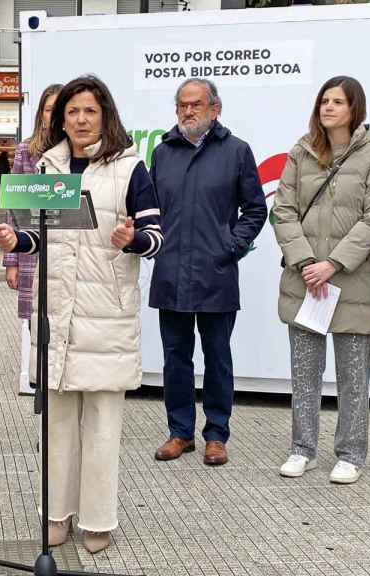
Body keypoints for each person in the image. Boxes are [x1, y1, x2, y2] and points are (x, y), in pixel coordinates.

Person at [0, 75, 162, 554]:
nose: (81, 120)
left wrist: (133, 239)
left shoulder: (131, 169)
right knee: (58, 425)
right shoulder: (48, 167)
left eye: (90, 111)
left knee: (103, 428)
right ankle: (56, 515)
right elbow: (39, 238)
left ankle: (98, 520)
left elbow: (154, 235)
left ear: (105, 115)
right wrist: (15, 241)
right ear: (60, 119)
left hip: (105, 315)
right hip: (56, 315)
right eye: (72, 112)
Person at [271, 76, 370, 484]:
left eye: (338, 102)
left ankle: (351, 454)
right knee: (304, 374)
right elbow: (283, 211)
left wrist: (333, 264)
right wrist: (307, 261)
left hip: (352, 283)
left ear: (354, 108)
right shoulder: (301, 152)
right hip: (305, 280)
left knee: (353, 377)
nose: (328, 108)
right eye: (324, 101)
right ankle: (302, 449)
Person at [148, 78, 267, 467]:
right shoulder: (163, 153)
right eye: (182, 104)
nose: (188, 111)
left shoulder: (236, 151)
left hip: (215, 274)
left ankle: (216, 434)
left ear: (215, 109)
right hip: (170, 273)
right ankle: (179, 432)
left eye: (196, 104)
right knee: (175, 357)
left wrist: (230, 246)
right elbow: (151, 209)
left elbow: (255, 209)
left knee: (217, 357)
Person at [3, 83, 62, 395]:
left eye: (59, 108)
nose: (53, 115)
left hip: (68, 253)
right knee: (36, 322)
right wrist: (11, 262)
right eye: (49, 109)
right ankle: (40, 382)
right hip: (32, 252)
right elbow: (15, 207)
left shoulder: (80, 152)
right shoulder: (27, 150)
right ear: (41, 114)